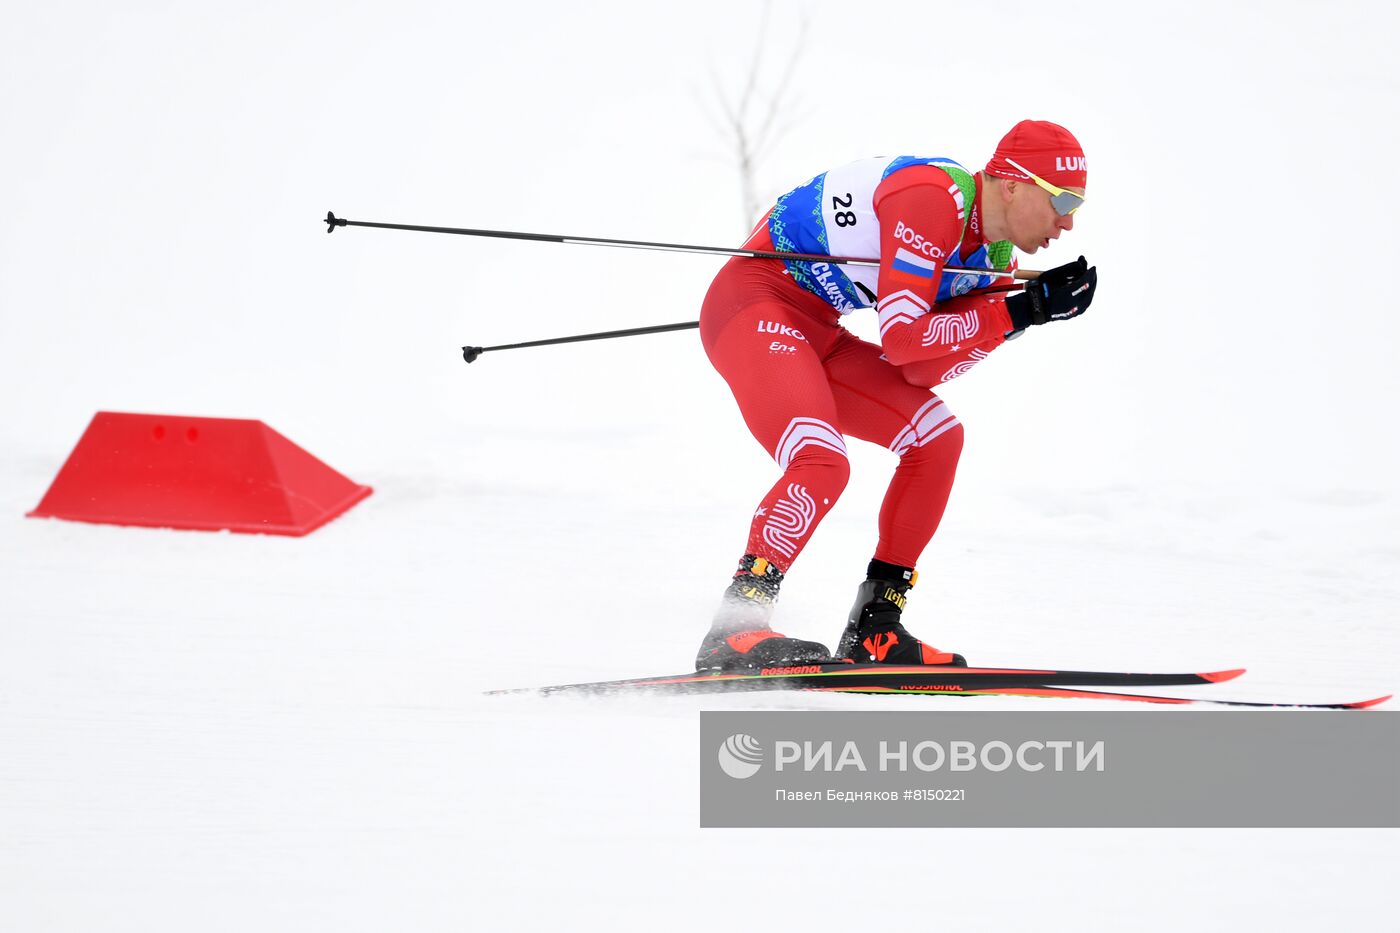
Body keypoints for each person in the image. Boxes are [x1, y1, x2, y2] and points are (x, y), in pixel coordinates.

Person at [694, 119, 1097, 672]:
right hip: (753, 305)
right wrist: (1010, 311)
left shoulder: (994, 261)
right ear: (1012, 184)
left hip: (820, 329)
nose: (1069, 220)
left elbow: (921, 373)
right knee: (822, 461)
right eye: (1063, 199)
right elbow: (904, 341)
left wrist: (1017, 318)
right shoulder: (935, 197)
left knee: (938, 437)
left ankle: (875, 627)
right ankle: (734, 629)